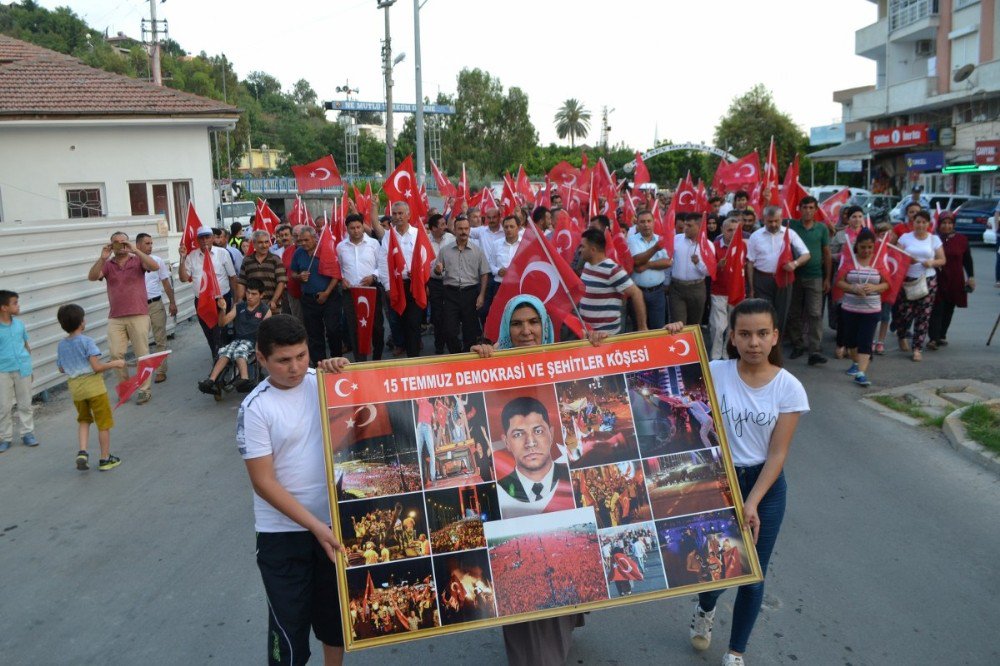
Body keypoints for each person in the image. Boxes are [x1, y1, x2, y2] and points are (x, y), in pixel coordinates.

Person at [680, 298, 809, 666]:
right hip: (720, 480)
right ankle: (705, 608)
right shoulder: (715, 371)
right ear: (732, 337)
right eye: (746, 334)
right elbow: (666, 360)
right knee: (716, 567)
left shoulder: (789, 388)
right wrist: (672, 332)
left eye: (762, 334)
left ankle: (735, 653)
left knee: (753, 573)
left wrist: (751, 502)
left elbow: (778, 454)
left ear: (775, 337)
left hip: (764, 487)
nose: (754, 342)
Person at [469, 294, 590, 666]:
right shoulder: (489, 364)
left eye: (533, 322)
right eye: (517, 324)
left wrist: (602, 345)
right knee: (525, 583)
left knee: (561, 569)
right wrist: (473, 360)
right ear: (506, 327)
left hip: (559, 486)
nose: (526, 331)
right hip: (513, 497)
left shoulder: (563, 360)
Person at [237, 315, 347, 666]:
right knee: (289, 634)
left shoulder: (325, 382)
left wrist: (347, 371)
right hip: (282, 536)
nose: (296, 367)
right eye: (284, 360)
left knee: (335, 623)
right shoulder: (255, 408)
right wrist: (316, 527)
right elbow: (263, 481)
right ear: (261, 358)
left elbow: (372, 394)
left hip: (334, 526)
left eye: (301, 356)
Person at [87, 231, 161, 405]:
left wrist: (136, 250)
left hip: (138, 314)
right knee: (115, 355)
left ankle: (144, 390)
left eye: (123, 241)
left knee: (142, 354)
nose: (121, 245)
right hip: (116, 317)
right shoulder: (108, 264)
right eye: (116, 242)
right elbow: (91, 277)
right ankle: (125, 387)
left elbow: (155, 267)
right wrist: (102, 258)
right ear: (111, 245)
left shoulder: (137, 260)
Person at [56, 304, 126, 471]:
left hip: (76, 391)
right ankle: (105, 459)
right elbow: (96, 367)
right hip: (94, 389)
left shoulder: (61, 345)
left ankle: (82, 452)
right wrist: (115, 363)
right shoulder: (87, 341)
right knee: (103, 423)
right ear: (82, 322)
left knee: (84, 420)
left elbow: (61, 368)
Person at [198, 279, 271, 396]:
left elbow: (265, 333)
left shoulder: (265, 311)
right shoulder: (239, 307)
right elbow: (222, 323)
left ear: (261, 295)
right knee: (224, 353)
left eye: (254, 294)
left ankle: (244, 378)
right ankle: (211, 380)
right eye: (248, 293)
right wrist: (222, 309)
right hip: (237, 340)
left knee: (239, 350)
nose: (249, 296)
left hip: (252, 341)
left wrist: (259, 347)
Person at [834, 230, 888, 387]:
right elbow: (839, 282)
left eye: (870, 247)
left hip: (871, 309)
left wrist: (874, 287)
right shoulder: (849, 261)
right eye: (863, 247)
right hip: (850, 308)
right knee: (850, 341)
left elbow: (887, 283)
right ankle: (855, 362)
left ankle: (861, 373)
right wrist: (853, 288)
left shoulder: (878, 261)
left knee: (865, 340)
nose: (867, 251)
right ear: (857, 246)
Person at [892, 210, 945, 361]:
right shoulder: (905, 238)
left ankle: (917, 348)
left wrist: (932, 262)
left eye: (924, 222)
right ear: (913, 223)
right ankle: (901, 334)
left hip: (928, 280)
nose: (920, 225)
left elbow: (942, 260)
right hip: (908, 280)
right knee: (905, 313)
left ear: (928, 224)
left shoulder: (934, 239)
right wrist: (908, 260)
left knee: (923, 315)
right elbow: (896, 256)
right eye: (918, 222)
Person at [746, 206, 810, 333]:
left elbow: (806, 254)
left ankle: (776, 345)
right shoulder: (755, 236)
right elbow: (750, 262)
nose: (773, 224)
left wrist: (795, 264)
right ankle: (765, 346)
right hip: (762, 280)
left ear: (781, 219)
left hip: (784, 278)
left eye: (776, 221)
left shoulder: (790, 234)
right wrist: (751, 287)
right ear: (764, 220)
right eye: (770, 221)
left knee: (781, 314)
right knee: (764, 313)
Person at [179, 227, 239, 361]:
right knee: (209, 332)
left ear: (212, 238)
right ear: (198, 240)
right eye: (201, 237)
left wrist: (236, 300)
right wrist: (182, 258)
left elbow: (233, 277)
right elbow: (183, 278)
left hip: (221, 300)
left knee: (220, 333)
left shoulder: (223, 253)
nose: (205, 240)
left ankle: (221, 361)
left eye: (207, 237)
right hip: (202, 301)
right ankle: (216, 357)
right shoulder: (191, 256)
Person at [786, 196, 831, 366]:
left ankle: (815, 350)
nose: (808, 211)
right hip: (794, 276)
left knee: (815, 313)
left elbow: (826, 253)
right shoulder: (791, 226)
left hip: (815, 276)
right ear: (799, 208)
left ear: (816, 209)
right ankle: (798, 344)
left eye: (811, 207)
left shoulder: (822, 228)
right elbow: (769, 215)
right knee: (794, 312)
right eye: (805, 207)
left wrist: (827, 277)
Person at [290, 226, 343, 366]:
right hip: (308, 299)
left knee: (333, 330)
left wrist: (326, 293)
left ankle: (337, 360)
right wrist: (299, 276)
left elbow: (336, 275)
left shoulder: (326, 250)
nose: (303, 243)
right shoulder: (298, 253)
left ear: (315, 238)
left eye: (306, 240)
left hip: (329, 297)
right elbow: (293, 273)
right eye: (300, 241)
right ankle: (320, 365)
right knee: (314, 334)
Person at [579, 227, 648, 333]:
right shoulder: (587, 265)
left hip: (606, 337)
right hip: (588, 334)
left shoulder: (613, 270)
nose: (580, 250)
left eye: (583, 247)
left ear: (593, 250)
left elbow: (636, 293)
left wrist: (642, 327)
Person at [378, 201, 424, 358]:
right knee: (400, 322)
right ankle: (405, 351)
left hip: (415, 285)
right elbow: (383, 263)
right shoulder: (388, 237)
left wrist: (421, 277)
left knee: (414, 323)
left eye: (401, 213)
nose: (397, 217)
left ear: (408, 215)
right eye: (395, 214)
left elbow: (426, 259)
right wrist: (387, 287)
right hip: (397, 286)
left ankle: (414, 358)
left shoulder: (418, 234)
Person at [338, 213, 385, 362]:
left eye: (358, 227)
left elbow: (381, 265)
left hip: (371, 291)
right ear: (347, 229)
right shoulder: (340, 247)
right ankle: (360, 361)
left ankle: (377, 358)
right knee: (354, 327)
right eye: (352, 228)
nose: (356, 231)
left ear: (362, 227)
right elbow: (338, 268)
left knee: (376, 326)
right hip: (350, 292)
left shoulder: (374, 244)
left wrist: (374, 276)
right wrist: (341, 279)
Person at [135, 233, 177, 383]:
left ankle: (160, 370)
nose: (150, 246)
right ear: (138, 245)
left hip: (155, 304)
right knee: (141, 342)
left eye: (151, 243)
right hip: (138, 307)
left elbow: (166, 283)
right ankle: (144, 372)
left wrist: (172, 302)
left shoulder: (157, 261)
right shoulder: (132, 262)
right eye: (147, 243)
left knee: (160, 339)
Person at [928, 212, 974, 350]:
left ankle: (942, 335)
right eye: (943, 223)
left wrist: (971, 277)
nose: (946, 226)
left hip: (955, 279)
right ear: (939, 224)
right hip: (938, 277)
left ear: (953, 224)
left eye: (949, 223)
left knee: (949, 308)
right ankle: (933, 338)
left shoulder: (962, 240)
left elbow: (967, 260)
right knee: (937, 308)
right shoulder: (933, 239)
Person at [0, 290, 37, 451]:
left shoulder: (20, 325)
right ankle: (5, 437)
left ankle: (27, 433)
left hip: (23, 369)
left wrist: (30, 368)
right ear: (4, 308)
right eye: (14, 303)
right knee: (3, 406)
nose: (18, 305)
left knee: (25, 403)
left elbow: (26, 346)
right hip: (3, 371)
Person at [628, 209, 673, 329]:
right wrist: (655, 249)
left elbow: (668, 262)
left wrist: (646, 265)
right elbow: (636, 261)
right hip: (638, 292)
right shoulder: (632, 240)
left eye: (649, 221)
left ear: (654, 222)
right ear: (637, 224)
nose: (646, 224)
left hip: (658, 292)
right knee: (639, 329)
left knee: (658, 328)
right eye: (642, 222)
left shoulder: (661, 240)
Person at [669, 213, 711, 326]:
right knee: (678, 324)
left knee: (694, 325)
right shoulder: (676, 239)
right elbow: (668, 262)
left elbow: (709, 272)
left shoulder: (707, 245)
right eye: (685, 225)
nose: (685, 228)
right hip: (677, 288)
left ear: (699, 226)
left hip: (697, 289)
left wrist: (698, 263)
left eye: (689, 226)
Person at [709, 218, 741, 360]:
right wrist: (718, 266)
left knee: (732, 327)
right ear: (722, 230)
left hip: (736, 292)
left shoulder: (742, 246)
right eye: (729, 230)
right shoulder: (714, 246)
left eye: (736, 230)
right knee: (718, 327)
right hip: (718, 292)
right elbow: (708, 270)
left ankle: (727, 354)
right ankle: (715, 358)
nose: (733, 233)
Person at [427, 213, 455, 354]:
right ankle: (439, 346)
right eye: (442, 224)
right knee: (437, 316)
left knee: (450, 314)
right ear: (433, 228)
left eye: (445, 224)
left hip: (450, 281)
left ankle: (452, 345)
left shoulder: (451, 239)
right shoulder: (424, 240)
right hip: (433, 283)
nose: (445, 227)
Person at [237, 230, 287, 310]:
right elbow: (242, 282)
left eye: (266, 242)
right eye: (260, 242)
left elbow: (281, 282)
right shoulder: (247, 260)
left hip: (272, 306)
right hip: (252, 306)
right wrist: (239, 300)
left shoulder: (276, 259)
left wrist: (274, 300)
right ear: (254, 244)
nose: (264, 245)